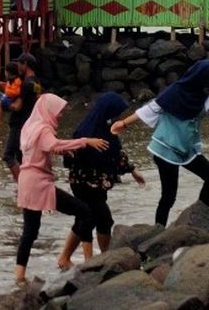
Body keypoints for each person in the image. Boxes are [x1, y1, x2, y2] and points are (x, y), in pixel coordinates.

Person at [111, 60, 209, 226]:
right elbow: (151, 109)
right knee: (168, 197)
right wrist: (124, 123)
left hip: (187, 150)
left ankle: (199, 216)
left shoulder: (205, 95)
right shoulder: (174, 92)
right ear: (201, 80)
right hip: (165, 150)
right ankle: (158, 230)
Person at [15, 93, 109, 285]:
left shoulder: (29, 126)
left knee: (30, 232)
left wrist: (64, 149)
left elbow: (46, 148)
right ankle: (87, 263)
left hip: (25, 181)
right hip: (39, 183)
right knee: (85, 212)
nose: (60, 115)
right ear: (48, 110)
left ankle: (19, 276)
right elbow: (53, 144)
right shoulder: (43, 129)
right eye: (58, 112)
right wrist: (85, 141)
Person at [57, 93, 146, 270]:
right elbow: (68, 155)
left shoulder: (108, 130)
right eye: (116, 114)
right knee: (101, 219)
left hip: (99, 185)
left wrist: (133, 170)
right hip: (83, 183)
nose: (118, 118)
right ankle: (96, 261)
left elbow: (115, 154)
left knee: (84, 219)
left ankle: (65, 258)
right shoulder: (85, 132)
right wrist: (85, 146)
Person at [3, 53, 42, 181]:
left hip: (19, 124)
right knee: (22, 156)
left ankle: (22, 185)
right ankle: (28, 184)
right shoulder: (36, 82)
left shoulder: (26, 84)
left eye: (20, 63)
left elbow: (17, 106)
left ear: (25, 64)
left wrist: (6, 104)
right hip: (30, 123)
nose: (18, 66)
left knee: (8, 155)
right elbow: (38, 100)